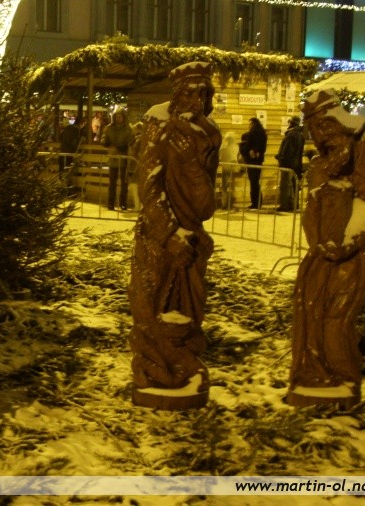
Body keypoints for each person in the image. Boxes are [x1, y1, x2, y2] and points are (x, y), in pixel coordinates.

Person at [287, 90, 365, 409]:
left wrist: (348, 243)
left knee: (336, 319)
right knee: (310, 311)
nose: (321, 137)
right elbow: (311, 212)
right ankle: (314, 373)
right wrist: (318, 240)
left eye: (325, 127)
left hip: (351, 255)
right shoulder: (321, 164)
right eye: (315, 130)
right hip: (322, 254)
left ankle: (342, 377)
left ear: (338, 123)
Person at [128, 62, 221, 410]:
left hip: (192, 237)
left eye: (203, 93)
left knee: (188, 310)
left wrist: (193, 165)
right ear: (177, 95)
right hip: (158, 236)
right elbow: (149, 186)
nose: (196, 101)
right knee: (148, 304)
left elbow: (206, 205)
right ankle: (152, 368)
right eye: (190, 93)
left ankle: (183, 365)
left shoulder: (209, 135)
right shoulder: (159, 123)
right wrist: (169, 235)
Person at [102, 109, 133, 210]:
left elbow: (130, 142)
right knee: (112, 182)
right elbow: (104, 139)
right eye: (116, 116)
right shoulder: (109, 128)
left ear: (124, 117)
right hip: (113, 158)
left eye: (120, 116)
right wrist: (107, 145)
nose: (118, 118)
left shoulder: (128, 129)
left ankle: (123, 203)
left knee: (124, 183)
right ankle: (110, 203)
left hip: (124, 158)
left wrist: (118, 148)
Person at [275, 116, 305, 211]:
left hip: (287, 164)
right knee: (293, 185)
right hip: (295, 163)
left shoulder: (291, 135)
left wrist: (281, 158)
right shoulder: (300, 135)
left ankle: (285, 205)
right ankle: (294, 204)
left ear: (291, 123)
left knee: (285, 185)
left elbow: (287, 151)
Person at [239, 117, 267, 209]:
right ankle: (258, 202)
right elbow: (262, 147)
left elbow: (248, 146)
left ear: (253, 124)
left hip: (252, 160)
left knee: (253, 182)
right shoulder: (262, 133)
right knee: (255, 182)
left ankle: (255, 203)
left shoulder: (252, 133)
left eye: (250, 124)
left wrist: (242, 148)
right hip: (259, 160)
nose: (249, 126)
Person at [218, 131, 239, 210]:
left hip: (226, 168)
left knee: (226, 187)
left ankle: (225, 204)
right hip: (231, 168)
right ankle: (229, 204)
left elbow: (220, 156)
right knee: (230, 187)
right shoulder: (235, 147)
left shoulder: (223, 147)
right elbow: (235, 158)